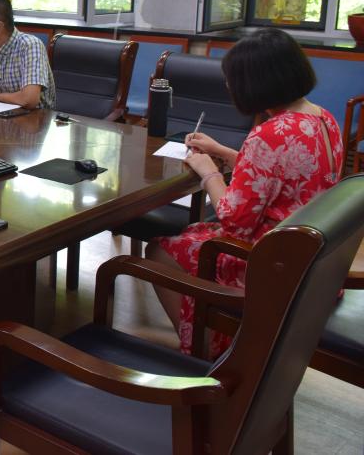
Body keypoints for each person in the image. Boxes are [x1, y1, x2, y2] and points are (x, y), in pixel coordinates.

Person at [145, 28, 343, 358]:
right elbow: (287, 173)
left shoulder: (268, 134)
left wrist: (209, 171)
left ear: (256, 83)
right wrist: (223, 152)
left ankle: (201, 350)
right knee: (189, 234)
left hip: (269, 260)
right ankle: (207, 337)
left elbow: (234, 220)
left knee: (160, 250)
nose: (228, 85)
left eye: (232, 79)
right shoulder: (323, 118)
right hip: (308, 254)